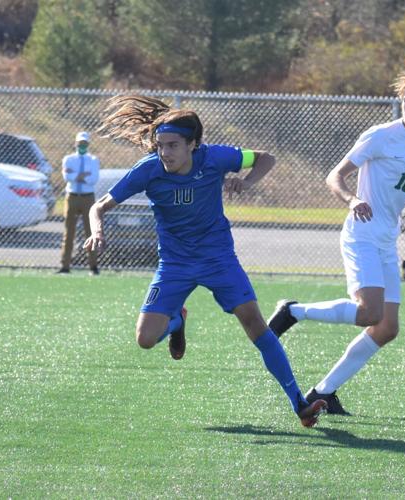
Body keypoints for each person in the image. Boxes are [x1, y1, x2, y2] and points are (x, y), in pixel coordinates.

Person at [83, 95, 327, 427]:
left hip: (218, 259)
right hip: (175, 264)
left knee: (255, 325)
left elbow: (266, 159)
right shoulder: (149, 170)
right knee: (145, 340)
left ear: (193, 144)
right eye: (160, 146)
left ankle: (299, 403)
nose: (164, 153)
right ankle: (177, 322)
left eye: (172, 146)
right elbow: (99, 206)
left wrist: (246, 181)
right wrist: (96, 232)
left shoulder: (216, 158)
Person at [268, 68, 405, 415]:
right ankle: (293, 311)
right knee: (369, 312)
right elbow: (335, 176)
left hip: (386, 241)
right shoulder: (381, 135)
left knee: (386, 327)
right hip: (361, 236)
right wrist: (352, 200)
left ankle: (322, 392)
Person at [57, 131, 101, 275]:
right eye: (79, 143)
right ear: (76, 143)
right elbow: (66, 177)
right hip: (72, 197)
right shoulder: (68, 159)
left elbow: (93, 179)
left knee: (91, 232)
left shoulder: (93, 160)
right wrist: (81, 175)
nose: (81, 145)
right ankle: (65, 266)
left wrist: (75, 176)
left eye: (84, 143)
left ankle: (93, 267)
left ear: (88, 144)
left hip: (88, 198)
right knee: (69, 232)